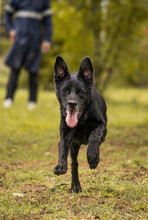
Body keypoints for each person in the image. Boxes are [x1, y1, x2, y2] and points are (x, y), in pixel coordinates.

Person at [3, 0, 52, 110]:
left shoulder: (44, 2)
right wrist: (11, 29)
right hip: (19, 40)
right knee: (14, 70)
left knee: (33, 72)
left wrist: (47, 40)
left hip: (35, 41)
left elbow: (48, 22)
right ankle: (8, 98)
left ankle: (32, 101)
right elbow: (7, 13)